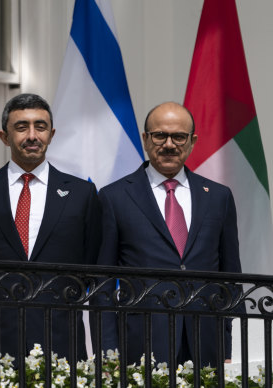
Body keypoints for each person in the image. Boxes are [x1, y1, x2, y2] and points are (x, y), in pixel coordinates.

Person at [0, 93, 102, 362]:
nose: (32, 135)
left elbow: (91, 265)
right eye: (21, 127)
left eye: (40, 127)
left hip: (61, 340)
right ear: (4, 136)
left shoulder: (83, 193)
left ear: (51, 134)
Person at [97, 101, 242, 366]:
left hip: (206, 341)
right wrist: (109, 352)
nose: (169, 144)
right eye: (159, 135)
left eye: (179, 136)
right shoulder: (114, 197)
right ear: (145, 139)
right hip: (141, 343)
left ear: (193, 141)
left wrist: (228, 347)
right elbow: (103, 284)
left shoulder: (219, 197)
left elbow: (231, 278)